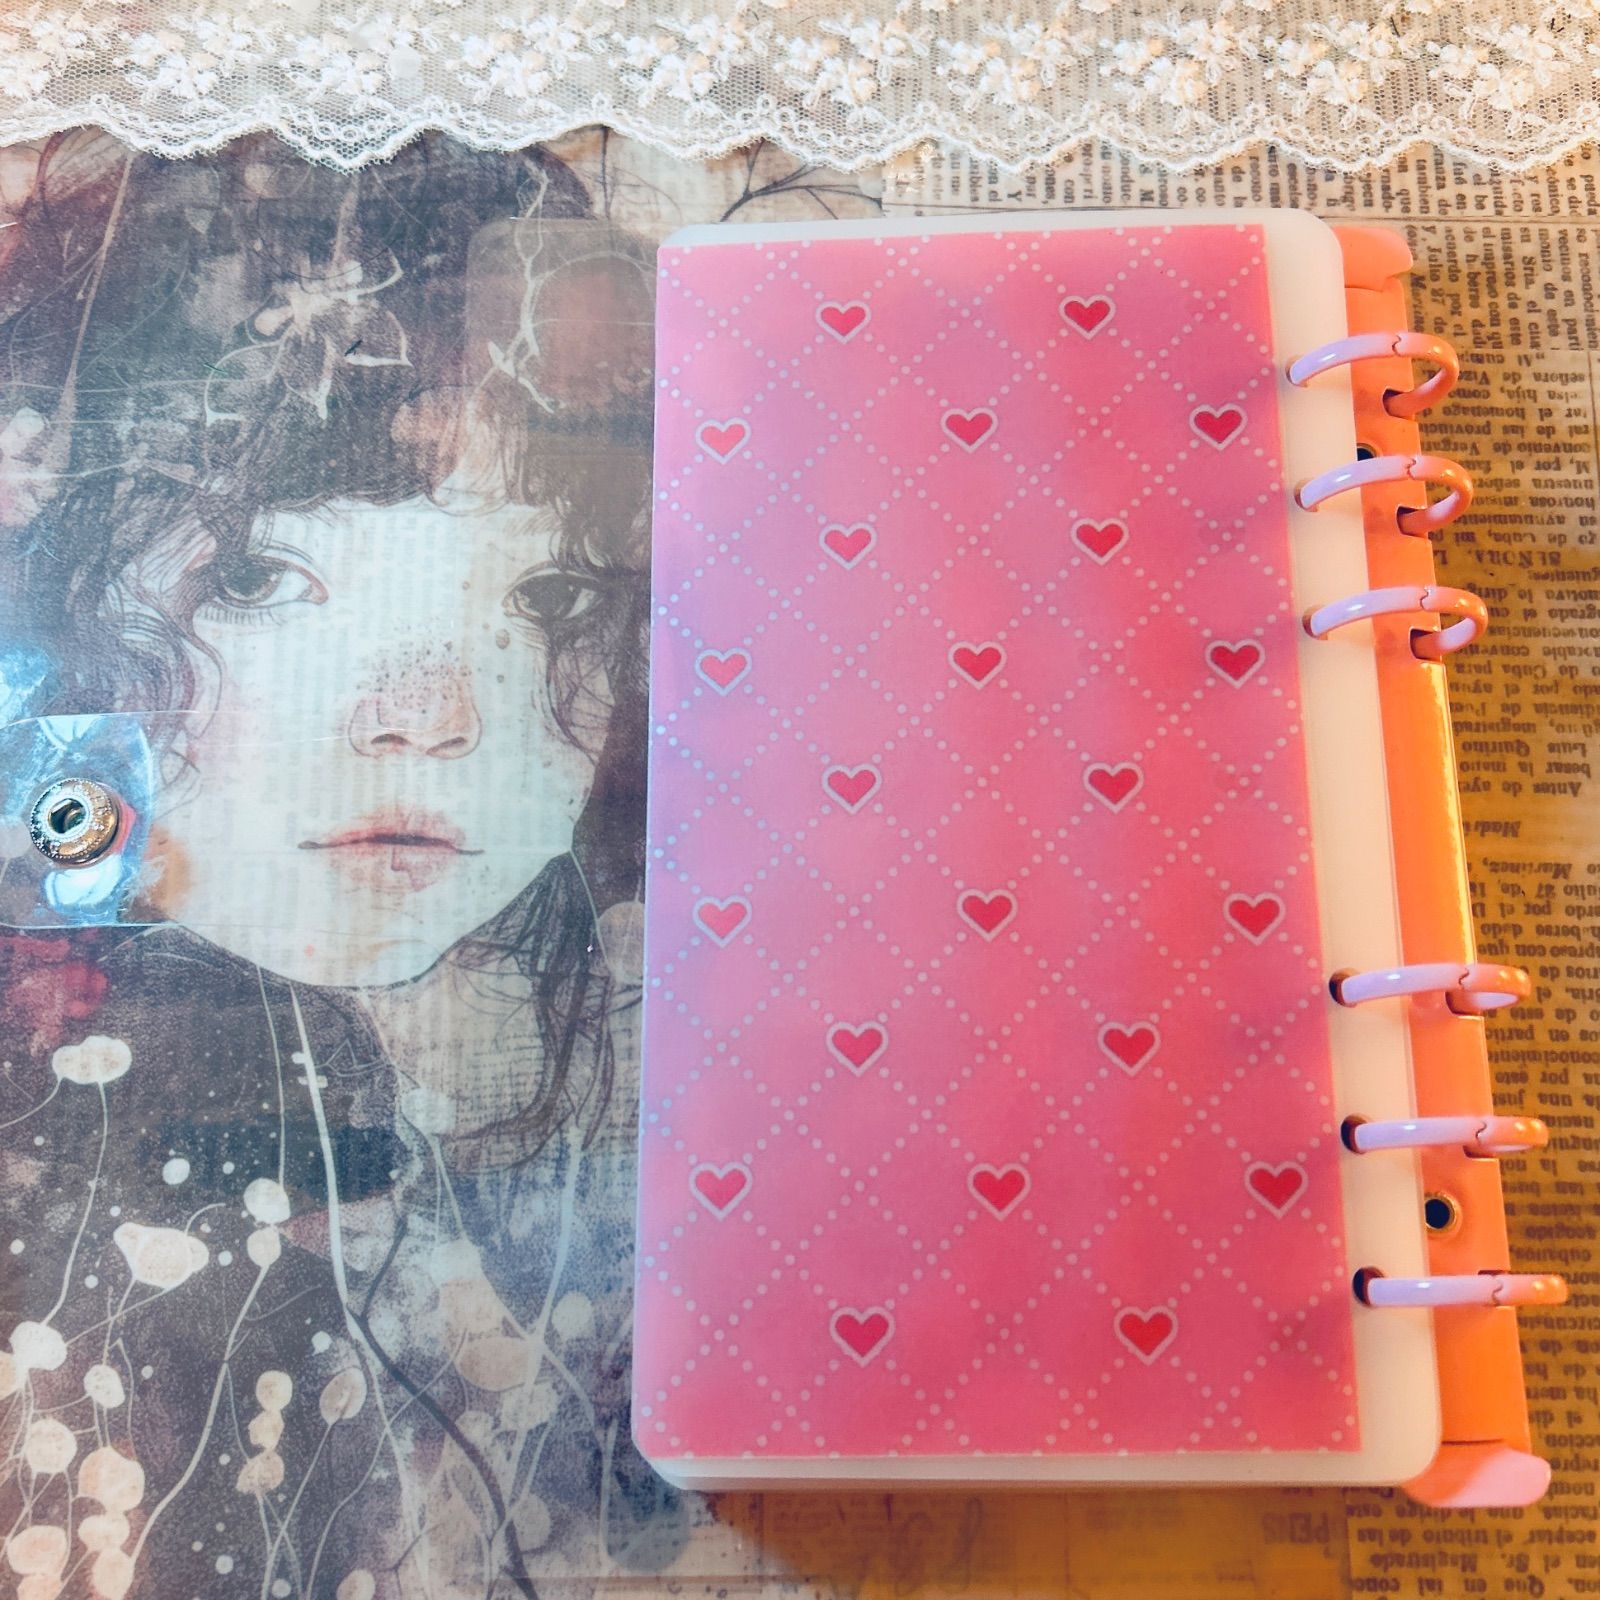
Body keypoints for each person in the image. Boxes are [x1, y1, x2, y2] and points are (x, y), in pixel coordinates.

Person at [0, 130, 682, 1599]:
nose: (428, 716)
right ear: (71, 594)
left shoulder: (640, 1063)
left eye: (545, 594)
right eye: (260, 579)